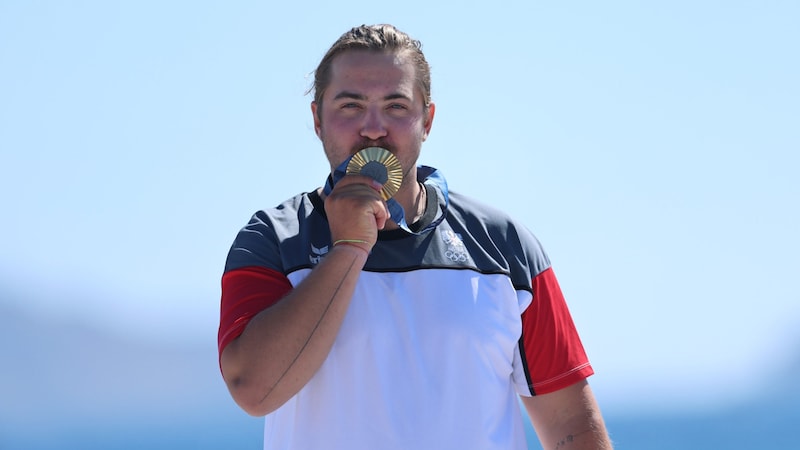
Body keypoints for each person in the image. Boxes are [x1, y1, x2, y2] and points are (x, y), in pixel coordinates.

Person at [218, 24, 613, 450]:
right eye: (350, 106)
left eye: (396, 106)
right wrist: (350, 247)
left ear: (427, 120)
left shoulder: (504, 246)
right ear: (317, 120)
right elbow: (253, 389)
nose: (373, 128)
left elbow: (573, 426)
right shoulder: (274, 238)